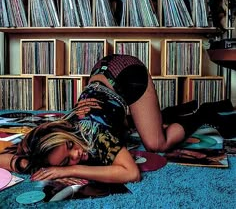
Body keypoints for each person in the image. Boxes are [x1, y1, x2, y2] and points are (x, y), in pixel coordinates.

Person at [0, 54, 235, 184]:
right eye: (65, 162)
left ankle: (203, 112)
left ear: (66, 134)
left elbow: (131, 173)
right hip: (101, 72)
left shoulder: (96, 135)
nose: (77, 155)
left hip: (126, 75)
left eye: (70, 146)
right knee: (124, 126)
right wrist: (27, 165)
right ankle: (171, 113)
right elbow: (4, 157)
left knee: (156, 143)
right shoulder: (46, 138)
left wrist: (67, 171)